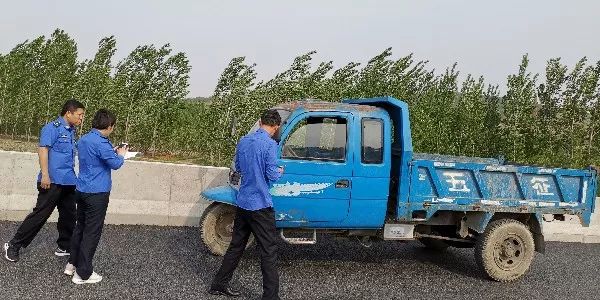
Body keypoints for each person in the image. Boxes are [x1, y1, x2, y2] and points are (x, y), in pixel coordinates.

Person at [209, 109, 284, 300]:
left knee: (236, 246)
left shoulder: (243, 141)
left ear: (260, 122)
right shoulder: (270, 145)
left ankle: (219, 284)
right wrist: (280, 170)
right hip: (260, 205)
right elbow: (273, 175)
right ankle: (270, 297)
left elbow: (239, 168)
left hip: (243, 203)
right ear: (275, 128)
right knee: (269, 252)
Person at [4, 99, 85, 262]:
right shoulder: (51, 128)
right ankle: (13, 245)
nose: (81, 118)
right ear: (68, 113)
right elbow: (43, 151)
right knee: (40, 215)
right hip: (52, 180)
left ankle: (65, 246)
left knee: (69, 215)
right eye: (79, 115)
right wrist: (45, 175)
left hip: (68, 180)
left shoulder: (71, 131)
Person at [63, 109, 127, 284]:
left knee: (80, 227)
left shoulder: (84, 139)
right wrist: (120, 155)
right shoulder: (102, 143)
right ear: (109, 126)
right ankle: (82, 274)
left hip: (82, 189)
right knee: (92, 232)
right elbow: (115, 164)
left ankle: (71, 264)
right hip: (97, 193)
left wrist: (111, 150)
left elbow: (95, 156)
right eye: (113, 127)